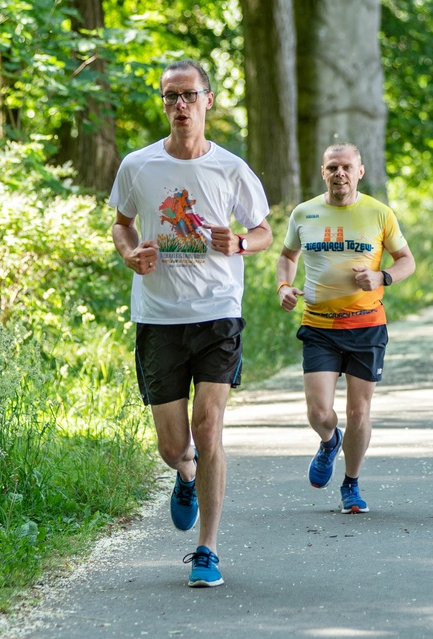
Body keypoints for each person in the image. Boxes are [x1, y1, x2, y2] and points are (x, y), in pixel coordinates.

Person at [110, 59, 272, 586]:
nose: (179, 105)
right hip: (158, 317)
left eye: (188, 95)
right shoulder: (138, 166)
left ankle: (207, 549)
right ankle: (185, 474)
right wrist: (131, 255)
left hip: (218, 313)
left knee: (209, 427)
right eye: (169, 97)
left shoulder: (231, 169)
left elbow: (264, 230)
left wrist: (243, 242)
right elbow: (121, 225)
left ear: (208, 100)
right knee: (173, 445)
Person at [276, 143, 415, 514]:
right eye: (332, 167)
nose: (340, 173)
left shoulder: (379, 213)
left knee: (359, 412)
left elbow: (406, 261)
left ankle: (351, 484)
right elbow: (287, 257)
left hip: (366, 326)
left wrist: (381, 275)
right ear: (323, 172)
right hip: (319, 325)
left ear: (360, 171)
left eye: (346, 167)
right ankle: (328, 441)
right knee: (319, 413)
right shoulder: (304, 213)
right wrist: (284, 288)